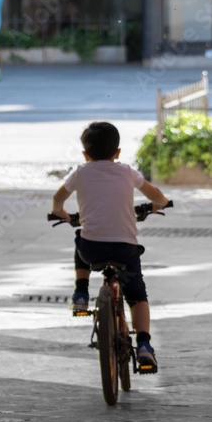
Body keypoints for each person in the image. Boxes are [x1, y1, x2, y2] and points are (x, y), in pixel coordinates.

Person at [51, 122, 170, 370]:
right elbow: (155, 195)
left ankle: (81, 294)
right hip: (124, 250)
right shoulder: (127, 172)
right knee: (137, 296)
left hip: (92, 249)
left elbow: (58, 198)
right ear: (117, 152)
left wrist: (59, 213)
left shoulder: (80, 172)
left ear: (85, 154)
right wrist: (161, 202)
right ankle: (145, 345)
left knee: (80, 238)